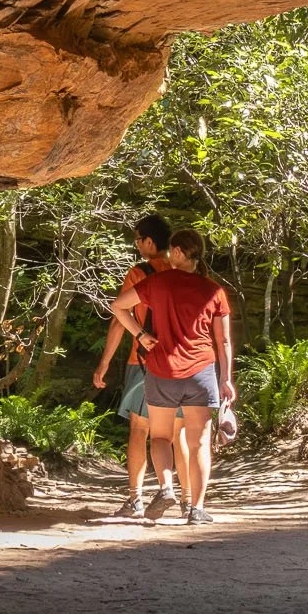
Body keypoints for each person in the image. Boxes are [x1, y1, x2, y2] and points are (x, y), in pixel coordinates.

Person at [109, 227, 235, 527]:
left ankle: (165, 487)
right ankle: (196, 509)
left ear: (178, 252)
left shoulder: (157, 282)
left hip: (161, 369)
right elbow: (224, 341)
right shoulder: (214, 291)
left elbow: (118, 306)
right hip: (201, 373)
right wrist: (226, 378)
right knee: (199, 442)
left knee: (162, 436)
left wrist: (141, 335)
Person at [93, 213, 190, 518]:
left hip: (144, 361)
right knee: (178, 433)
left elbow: (119, 321)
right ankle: (189, 501)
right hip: (181, 363)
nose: (136, 245)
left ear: (149, 241)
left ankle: (135, 498)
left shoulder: (139, 274)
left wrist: (104, 363)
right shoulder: (182, 272)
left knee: (140, 429)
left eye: (137, 239)